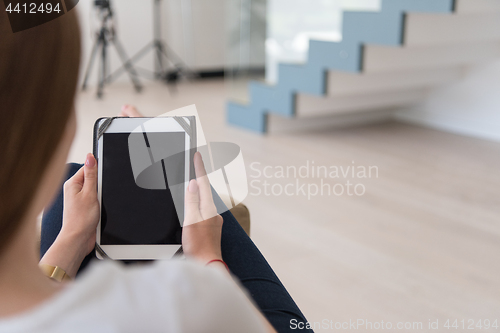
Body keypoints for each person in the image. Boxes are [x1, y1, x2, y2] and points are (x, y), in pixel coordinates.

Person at [0, 6, 312, 333]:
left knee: (80, 180)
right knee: (178, 177)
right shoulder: (191, 303)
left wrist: (70, 242)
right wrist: (208, 259)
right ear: (61, 128)